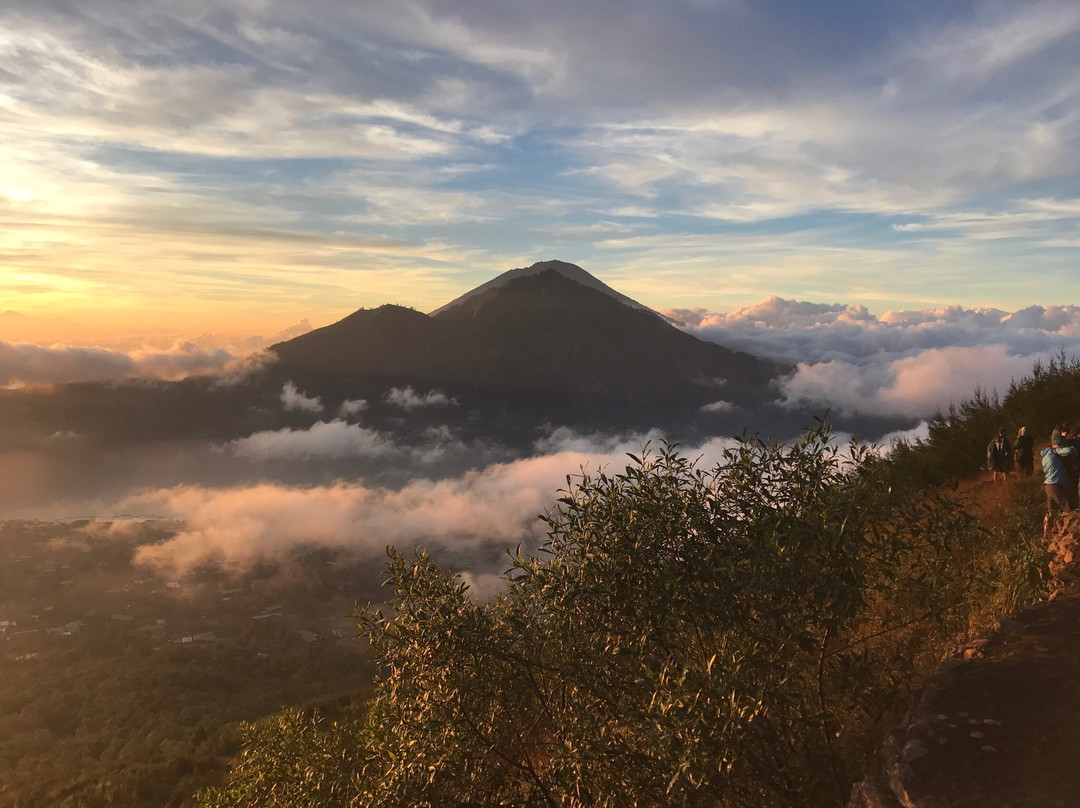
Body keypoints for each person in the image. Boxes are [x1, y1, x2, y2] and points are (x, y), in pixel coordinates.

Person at [1043, 425, 1076, 535]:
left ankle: (1047, 535)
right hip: (1056, 486)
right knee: (1068, 510)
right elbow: (1068, 450)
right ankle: (1069, 535)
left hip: (1048, 486)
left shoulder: (1045, 455)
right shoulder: (1055, 452)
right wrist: (1073, 447)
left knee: (1051, 512)